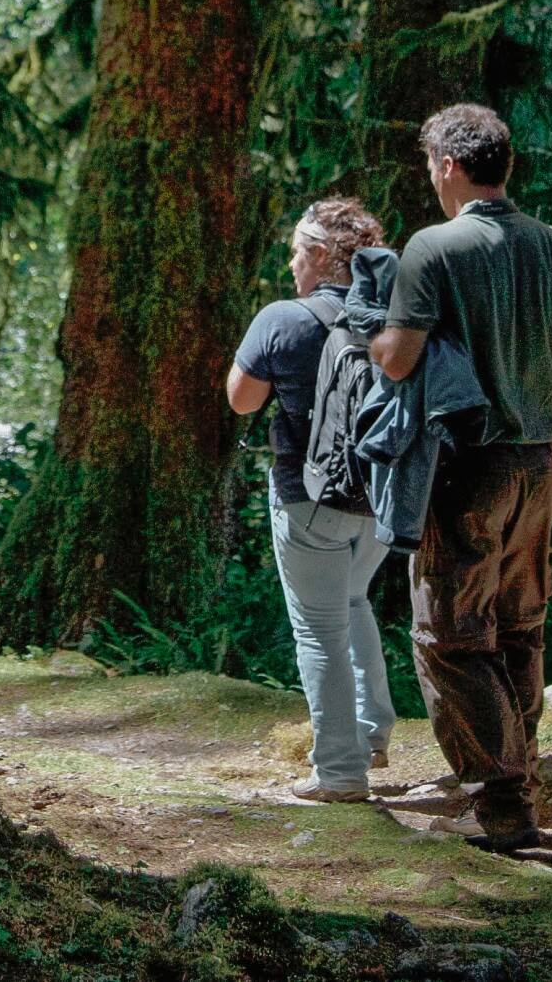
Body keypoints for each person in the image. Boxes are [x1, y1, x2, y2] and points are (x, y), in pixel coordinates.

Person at [369, 104, 552, 852]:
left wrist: (364, 335)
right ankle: (516, 785)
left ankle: (506, 803)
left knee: (449, 638)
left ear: (448, 166)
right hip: (542, 463)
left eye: (430, 166)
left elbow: (397, 357)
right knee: (518, 628)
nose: (431, 179)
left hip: (469, 466)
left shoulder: (433, 249)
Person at [225, 198, 398, 802]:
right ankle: (374, 731)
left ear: (323, 255)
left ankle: (340, 773)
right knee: (354, 601)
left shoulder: (284, 319)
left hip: (310, 496)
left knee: (319, 629)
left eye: (299, 250)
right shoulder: (396, 313)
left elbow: (242, 401)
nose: (292, 262)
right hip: (382, 500)